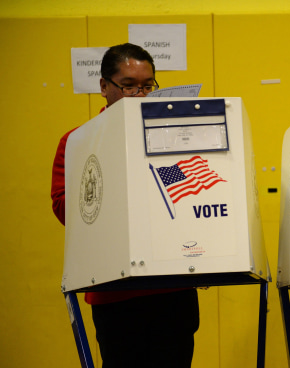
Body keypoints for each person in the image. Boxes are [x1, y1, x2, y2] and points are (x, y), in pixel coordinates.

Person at [51, 43, 199, 368]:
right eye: (129, 86)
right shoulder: (79, 141)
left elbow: (186, 197)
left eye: (147, 86)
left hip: (172, 284)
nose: (140, 95)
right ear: (104, 87)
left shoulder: (173, 141)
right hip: (114, 290)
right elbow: (64, 209)